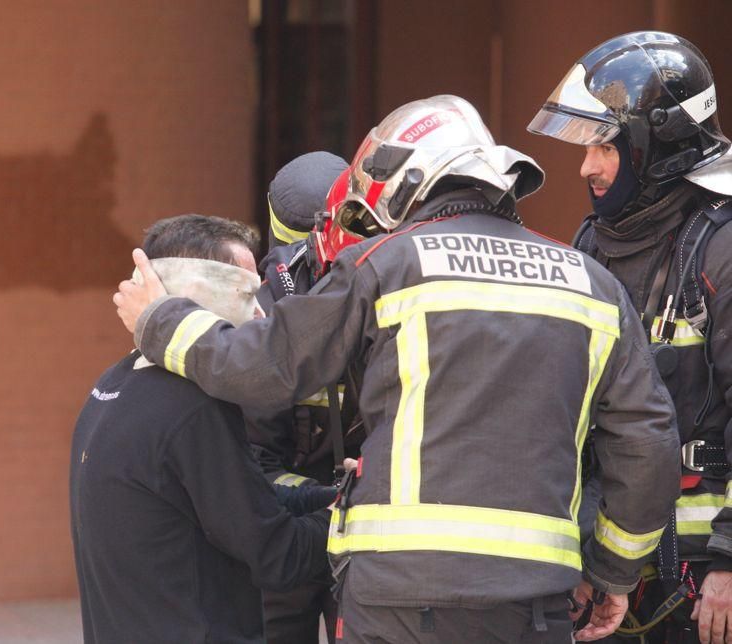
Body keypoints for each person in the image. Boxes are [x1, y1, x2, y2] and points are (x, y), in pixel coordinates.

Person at [114, 95, 681, 643]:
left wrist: (161, 320)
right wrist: (612, 573)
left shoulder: (383, 265)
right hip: (534, 600)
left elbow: (262, 367)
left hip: (402, 597)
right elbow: (649, 444)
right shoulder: (595, 286)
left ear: (412, 184)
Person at [528, 31, 732, 643]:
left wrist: (728, 560)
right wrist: (591, 561)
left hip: (705, 587)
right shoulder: (592, 244)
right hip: (614, 573)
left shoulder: (720, 249)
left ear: (657, 143)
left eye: (604, 146)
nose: (586, 166)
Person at [70, 214, 335, 644]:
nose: (261, 312)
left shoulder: (112, 387)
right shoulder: (191, 406)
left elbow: (240, 498)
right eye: (247, 294)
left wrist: (328, 498)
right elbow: (278, 555)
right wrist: (355, 522)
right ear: (195, 294)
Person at [249, 151, 363, 644]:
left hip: (287, 532)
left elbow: (255, 456)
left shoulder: (256, 312)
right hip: (348, 531)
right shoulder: (383, 297)